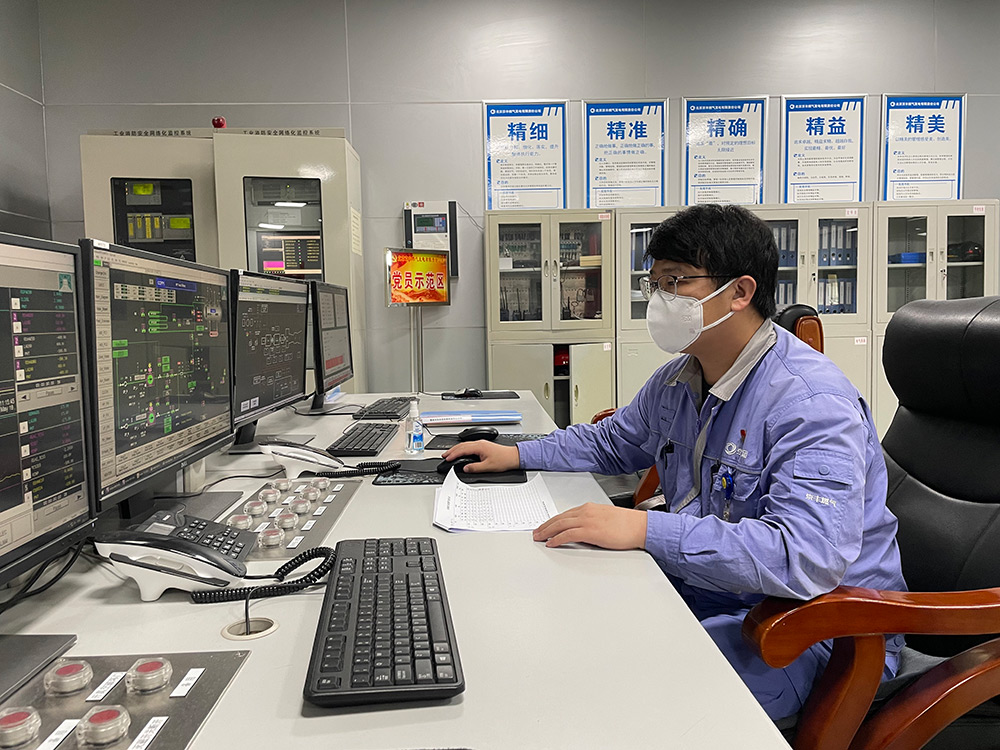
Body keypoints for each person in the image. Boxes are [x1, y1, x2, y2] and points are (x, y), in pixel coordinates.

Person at [443, 203, 906, 720]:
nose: (660, 299)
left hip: (818, 631)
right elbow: (611, 442)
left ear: (740, 292)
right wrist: (516, 453)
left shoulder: (810, 403)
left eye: (676, 281)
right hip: (720, 594)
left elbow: (805, 556)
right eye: (655, 283)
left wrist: (646, 530)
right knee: (563, 628)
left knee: (628, 697)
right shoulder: (678, 379)